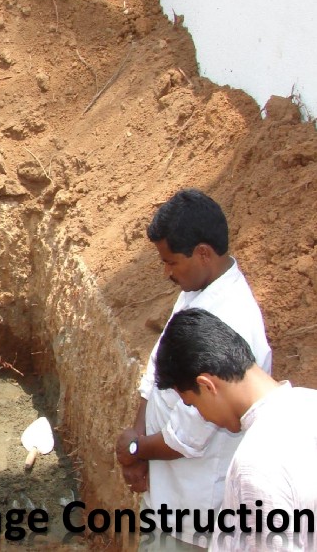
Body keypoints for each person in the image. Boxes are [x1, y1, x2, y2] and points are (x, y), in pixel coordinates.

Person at [114, 189, 272, 548]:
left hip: (192, 517)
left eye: (171, 262)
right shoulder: (197, 287)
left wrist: (136, 450)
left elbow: (191, 433)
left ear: (203, 253)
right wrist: (138, 442)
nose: (166, 272)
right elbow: (157, 370)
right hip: (165, 493)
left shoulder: (231, 321)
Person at [155, 308, 317, 552]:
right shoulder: (310, 402)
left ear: (207, 385)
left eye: (193, 404)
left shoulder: (256, 465)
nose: (201, 415)